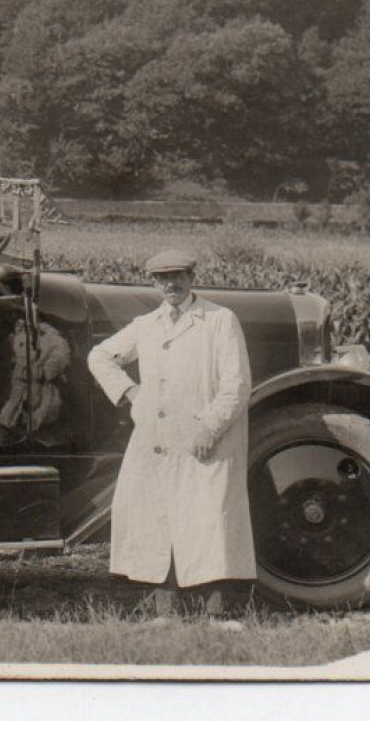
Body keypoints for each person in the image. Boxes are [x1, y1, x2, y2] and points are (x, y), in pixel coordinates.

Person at [86, 250, 256, 624]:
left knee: (211, 518)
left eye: (178, 276)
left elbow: (237, 384)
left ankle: (218, 613)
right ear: (153, 283)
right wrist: (132, 394)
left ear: (192, 276)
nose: (171, 285)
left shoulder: (219, 320)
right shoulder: (146, 324)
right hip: (158, 439)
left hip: (206, 439)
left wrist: (210, 427)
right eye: (162, 279)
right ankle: (167, 611)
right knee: (158, 518)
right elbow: (99, 357)